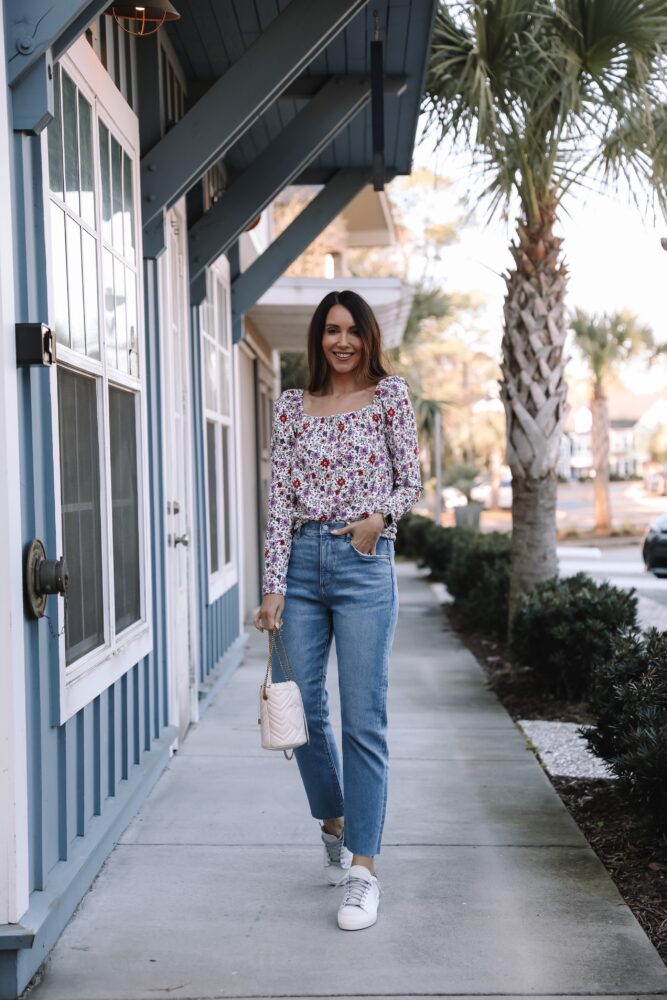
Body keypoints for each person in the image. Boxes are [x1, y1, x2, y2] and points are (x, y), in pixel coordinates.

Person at [253, 289, 423, 931]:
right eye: (331, 330)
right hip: (299, 564)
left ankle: (363, 871)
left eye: (352, 330)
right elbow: (278, 498)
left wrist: (381, 518)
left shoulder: (391, 396)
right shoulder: (293, 405)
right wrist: (272, 584)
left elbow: (410, 480)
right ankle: (334, 817)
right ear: (318, 338)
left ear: (368, 335)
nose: (342, 341)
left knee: (364, 717)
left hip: (362, 564)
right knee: (301, 710)